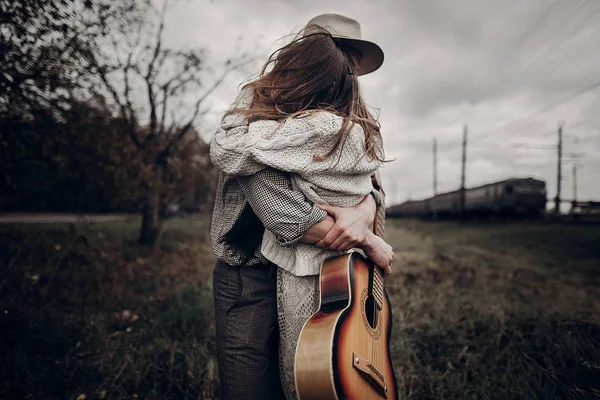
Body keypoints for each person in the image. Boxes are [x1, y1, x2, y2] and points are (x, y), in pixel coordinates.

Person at [209, 13, 393, 400]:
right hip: (252, 272)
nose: (351, 68)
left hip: (319, 276)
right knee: (250, 390)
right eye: (343, 54)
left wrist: (366, 209)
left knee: (315, 383)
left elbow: (371, 182)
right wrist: (366, 237)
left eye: (354, 59)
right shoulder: (256, 111)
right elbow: (280, 210)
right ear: (310, 57)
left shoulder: (345, 120)